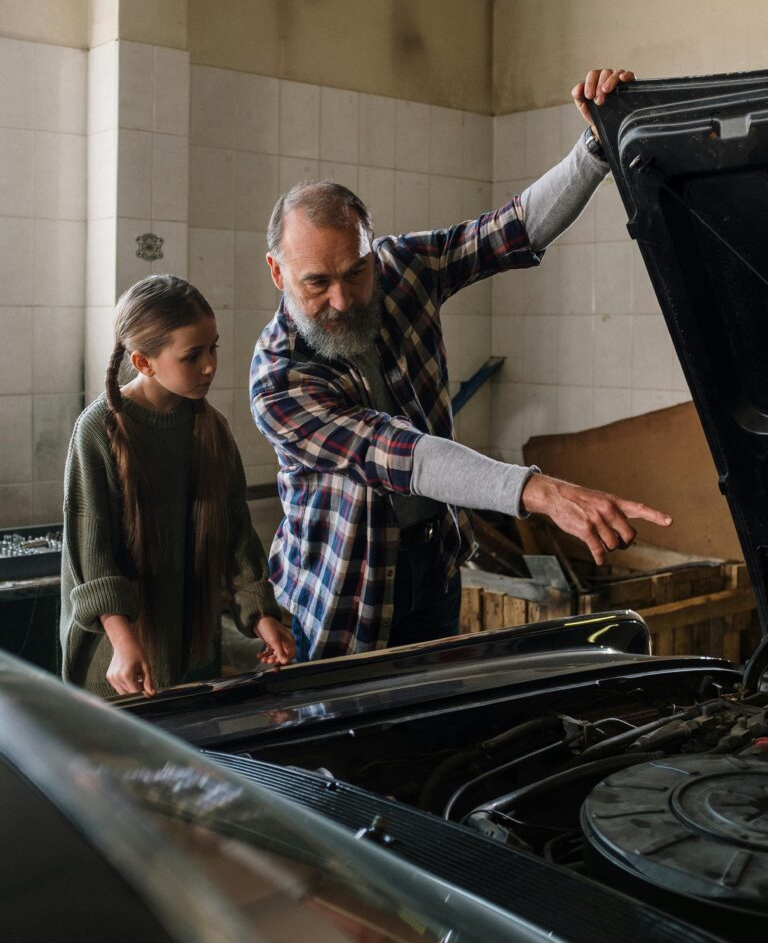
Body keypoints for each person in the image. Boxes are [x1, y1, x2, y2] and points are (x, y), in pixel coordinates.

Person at [250, 68, 673, 662]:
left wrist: (597, 147)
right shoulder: (278, 380)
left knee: (434, 726)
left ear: (373, 250)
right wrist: (539, 491)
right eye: (317, 283)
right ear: (277, 273)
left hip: (433, 561)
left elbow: (510, 230)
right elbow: (402, 454)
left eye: (356, 272)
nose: (343, 300)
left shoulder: (399, 270)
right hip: (343, 588)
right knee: (356, 739)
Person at [61, 274, 295, 698]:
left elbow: (236, 535)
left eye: (213, 348)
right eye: (192, 356)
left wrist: (262, 616)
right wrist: (123, 642)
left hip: (191, 652)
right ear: (143, 362)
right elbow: (91, 554)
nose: (210, 365)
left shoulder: (211, 428)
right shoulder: (97, 430)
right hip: (116, 662)